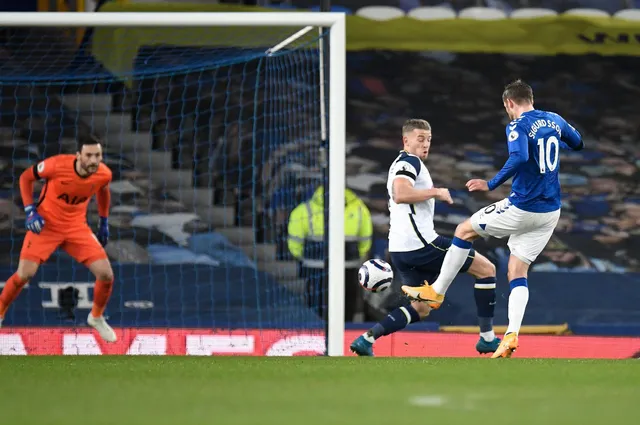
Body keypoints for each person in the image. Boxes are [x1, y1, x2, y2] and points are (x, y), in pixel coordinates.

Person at [402, 80, 584, 358]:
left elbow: (520, 156)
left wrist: (491, 183)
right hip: (550, 212)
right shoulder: (554, 119)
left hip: (522, 207)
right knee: (516, 271)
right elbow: (579, 142)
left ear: (509, 103)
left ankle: (436, 292)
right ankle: (511, 335)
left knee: (464, 230)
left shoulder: (517, 125)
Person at [350, 118, 500, 356]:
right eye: (420, 138)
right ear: (405, 140)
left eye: (428, 139)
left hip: (401, 250)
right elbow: (400, 193)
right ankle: (487, 338)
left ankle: (367, 339)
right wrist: (437, 191)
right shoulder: (409, 161)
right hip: (422, 245)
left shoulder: (404, 163)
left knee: (421, 308)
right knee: (487, 269)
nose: (425, 144)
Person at [0, 138, 117, 342]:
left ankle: (96, 318)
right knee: (24, 274)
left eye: (97, 155)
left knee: (106, 274)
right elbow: (26, 177)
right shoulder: (57, 165)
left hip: (76, 229)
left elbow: (103, 191)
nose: (93, 160)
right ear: (78, 156)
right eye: (88, 155)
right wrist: (30, 211)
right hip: (45, 226)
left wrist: (104, 221)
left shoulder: (104, 174)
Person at [288, 186, 373, 322]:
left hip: (315, 267)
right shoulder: (360, 208)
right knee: (346, 304)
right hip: (348, 267)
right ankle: (346, 334)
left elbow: (294, 244)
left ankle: (317, 333)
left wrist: (304, 258)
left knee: (317, 305)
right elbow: (366, 240)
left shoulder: (303, 210)